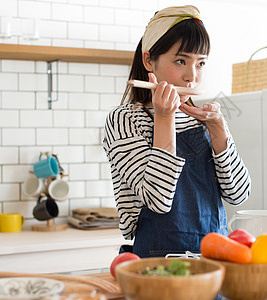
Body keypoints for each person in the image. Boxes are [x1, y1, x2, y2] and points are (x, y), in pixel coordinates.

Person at [103, 5, 251, 258]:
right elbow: (158, 200)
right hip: (155, 263)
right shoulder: (124, 120)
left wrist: (218, 132)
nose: (191, 76)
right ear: (149, 60)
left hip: (215, 259)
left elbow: (238, 195)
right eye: (181, 61)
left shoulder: (204, 120)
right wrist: (164, 117)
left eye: (200, 63)